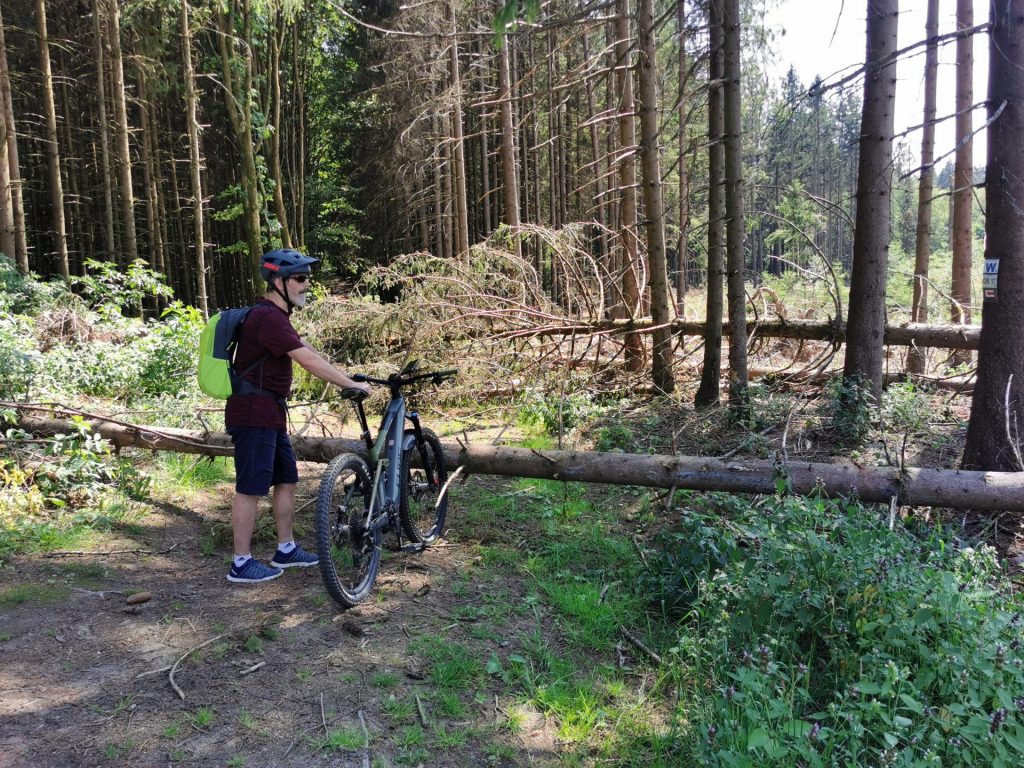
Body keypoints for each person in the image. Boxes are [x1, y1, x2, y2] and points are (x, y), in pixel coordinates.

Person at [225, 248, 370, 584]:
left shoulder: (277, 318)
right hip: (253, 413)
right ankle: (241, 562)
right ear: (277, 281)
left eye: (308, 278)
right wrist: (349, 384)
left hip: (269, 412)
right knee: (249, 487)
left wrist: (349, 378)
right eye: (300, 278)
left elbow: (308, 350)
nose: (307, 285)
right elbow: (307, 360)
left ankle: (286, 549)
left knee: (286, 478)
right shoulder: (267, 318)